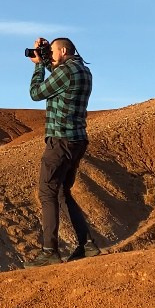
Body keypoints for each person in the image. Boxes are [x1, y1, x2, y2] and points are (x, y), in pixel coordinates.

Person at [28, 36, 95, 262]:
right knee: (62, 193)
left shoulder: (65, 73)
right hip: (77, 141)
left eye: (55, 52)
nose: (52, 57)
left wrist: (38, 67)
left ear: (64, 50)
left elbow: (36, 93)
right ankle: (87, 244)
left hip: (60, 140)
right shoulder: (81, 71)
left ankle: (50, 251)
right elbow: (58, 74)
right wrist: (46, 55)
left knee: (47, 192)